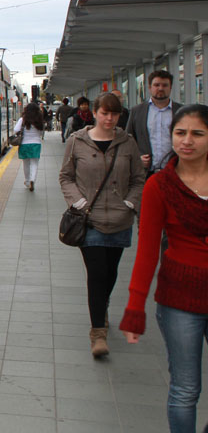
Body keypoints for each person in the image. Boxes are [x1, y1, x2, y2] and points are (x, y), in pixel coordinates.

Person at [120, 105, 208, 433]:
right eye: (180, 133)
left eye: (197, 134)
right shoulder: (159, 186)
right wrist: (134, 309)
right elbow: (146, 252)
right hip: (179, 300)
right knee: (186, 389)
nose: (187, 141)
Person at [59, 92, 146, 357]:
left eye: (115, 114)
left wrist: (130, 204)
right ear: (95, 112)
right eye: (105, 113)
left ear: (120, 115)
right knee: (96, 274)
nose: (109, 118)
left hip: (119, 220)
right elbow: (66, 177)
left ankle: (102, 306)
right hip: (91, 220)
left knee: (110, 273)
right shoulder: (77, 142)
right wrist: (80, 203)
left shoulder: (127, 143)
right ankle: (98, 332)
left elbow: (138, 179)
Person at [127, 70, 182, 178]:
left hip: (176, 171)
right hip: (146, 173)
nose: (160, 88)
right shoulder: (137, 111)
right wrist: (137, 158)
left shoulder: (181, 111)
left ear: (170, 87)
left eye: (165, 85)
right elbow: (129, 139)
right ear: (149, 87)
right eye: (156, 85)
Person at [13, 101, 44, 192]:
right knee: (34, 163)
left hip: (24, 144)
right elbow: (41, 133)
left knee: (26, 163)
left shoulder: (23, 119)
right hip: (36, 144)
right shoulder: (39, 120)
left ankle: (27, 181)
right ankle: (32, 180)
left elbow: (16, 130)